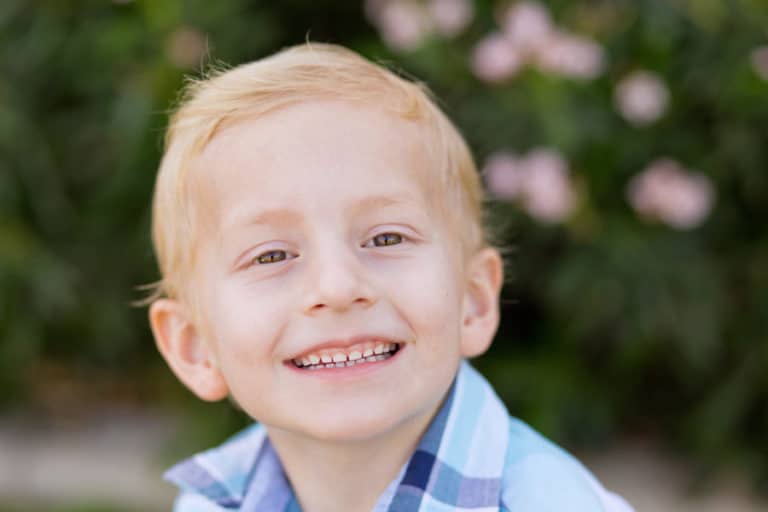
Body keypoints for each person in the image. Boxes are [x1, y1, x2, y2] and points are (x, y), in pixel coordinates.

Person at [146, 42, 633, 511]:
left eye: (385, 239)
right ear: (195, 346)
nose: (337, 288)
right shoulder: (216, 500)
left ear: (475, 300)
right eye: (271, 256)